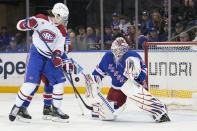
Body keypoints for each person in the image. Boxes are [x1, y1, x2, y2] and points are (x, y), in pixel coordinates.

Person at [9, 3, 70, 122]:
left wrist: (57, 55)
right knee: (31, 84)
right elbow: (19, 26)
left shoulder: (61, 30)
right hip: (36, 55)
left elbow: (59, 46)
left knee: (59, 82)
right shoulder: (41, 19)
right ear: (57, 15)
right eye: (64, 18)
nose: (65, 21)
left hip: (49, 58)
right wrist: (28, 23)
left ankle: (56, 110)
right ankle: (17, 107)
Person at [85, 37, 170, 122]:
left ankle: (160, 112)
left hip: (134, 83)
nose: (116, 52)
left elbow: (144, 70)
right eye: (115, 49)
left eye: (119, 50)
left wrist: (137, 76)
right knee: (108, 113)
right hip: (117, 86)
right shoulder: (107, 57)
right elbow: (97, 73)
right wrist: (93, 82)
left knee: (135, 93)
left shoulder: (132, 56)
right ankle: (99, 109)